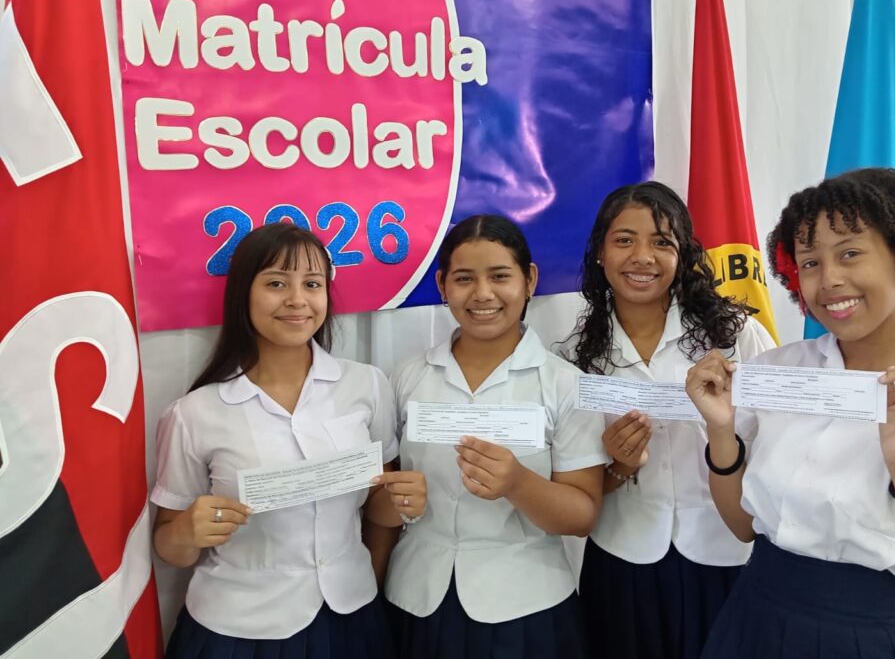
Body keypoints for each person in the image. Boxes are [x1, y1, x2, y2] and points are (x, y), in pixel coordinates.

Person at [686, 168, 895, 658]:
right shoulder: (777, 371)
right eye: (810, 262)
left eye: (849, 253)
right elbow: (743, 527)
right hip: (754, 620)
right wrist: (721, 431)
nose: (829, 280)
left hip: (873, 639)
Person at [151, 222, 425, 658]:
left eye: (312, 284)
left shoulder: (366, 385)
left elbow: (379, 505)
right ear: (244, 294)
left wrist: (402, 501)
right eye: (276, 283)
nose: (297, 299)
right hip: (237, 628)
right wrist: (187, 530)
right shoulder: (194, 413)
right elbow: (170, 548)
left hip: (351, 614)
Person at [559, 181, 775, 658]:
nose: (643, 257)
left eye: (661, 242)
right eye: (624, 240)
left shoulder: (737, 337)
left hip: (725, 552)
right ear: (600, 252)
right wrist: (617, 466)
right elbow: (575, 484)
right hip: (622, 559)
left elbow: (779, 452)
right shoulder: (575, 357)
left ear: (683, 255)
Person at [384, 214, 606, 659]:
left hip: (526, 604)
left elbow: (582, 515)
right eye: (464, 278)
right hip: (417, 597)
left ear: (529, 280)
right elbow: (383, 499)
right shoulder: (408, 377)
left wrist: (518, 484)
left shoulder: (565, 384)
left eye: (500, 276)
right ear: (442, 285)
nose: (482, 294)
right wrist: (397, 501)